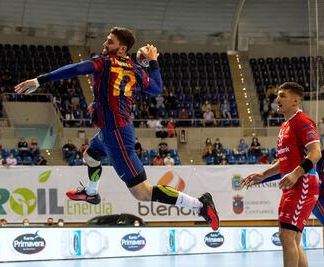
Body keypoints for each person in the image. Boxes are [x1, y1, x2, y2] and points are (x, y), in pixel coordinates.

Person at [14, 26, 219, 231]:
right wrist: (154, 61)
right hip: (109, 131)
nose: (105, 44)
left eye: (110, 41)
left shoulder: (103, 63)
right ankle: (92, 193)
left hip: (117, 135)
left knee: (142, 192)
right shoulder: (134, 67)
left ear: (121, 48)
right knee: (90, 156)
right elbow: (155, 89)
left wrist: (39, 81)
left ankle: (200, 205)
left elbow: (75, 69)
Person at [239, 82, 321, 267]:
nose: (278, 99)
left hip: (303, 185)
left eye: (283, 95)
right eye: (278, 95)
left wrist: (295, 174)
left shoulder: (303, 121)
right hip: (293, 186)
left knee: (286, 236)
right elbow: (284, 161)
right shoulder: (285, 126)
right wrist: (263, 175)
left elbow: (316, 152)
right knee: (291, 237)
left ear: (295, 101)